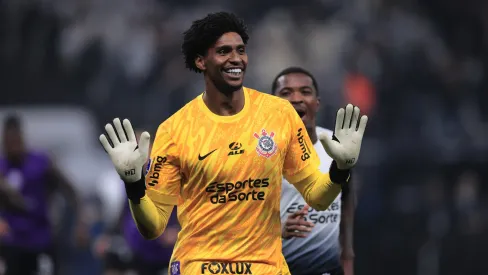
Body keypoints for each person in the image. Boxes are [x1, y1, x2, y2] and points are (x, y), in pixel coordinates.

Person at [99, 12, 368, 275]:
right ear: (201, 61)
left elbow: (318, 196)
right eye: (224, 51)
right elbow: (152, 227)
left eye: (240, 50)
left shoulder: (280, 116)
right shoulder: (175, 130)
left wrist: (340, 169)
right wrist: (134, 183)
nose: (236, 58)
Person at [271, 67, 356, 275]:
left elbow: (347, 203)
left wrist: (347, 255)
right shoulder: (260, 153)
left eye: (305, 92)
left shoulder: (336, 146)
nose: (296, 98)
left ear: (317, 103)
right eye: (286, 93)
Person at [0, 114, 87, 275]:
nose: (12, 145)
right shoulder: (2, 167)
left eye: (15, 140)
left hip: (40, 240)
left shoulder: (40, 162)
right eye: (8, 141)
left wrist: (80, 223)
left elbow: (71, 191)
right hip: (11, 243)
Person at [95, 131, 179, 275]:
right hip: (138, 249)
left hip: (165, 252)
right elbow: (125, 211)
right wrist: (108, 235)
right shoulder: (132, 178)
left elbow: (189, 210)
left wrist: (178, 230)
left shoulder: (171, 177)